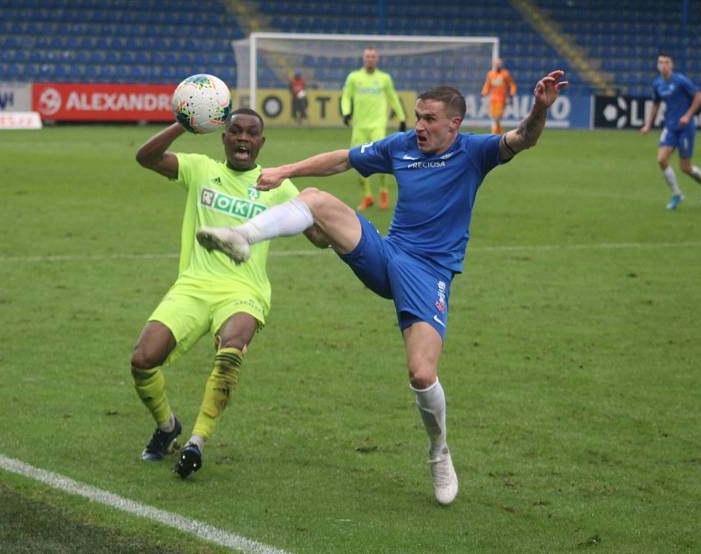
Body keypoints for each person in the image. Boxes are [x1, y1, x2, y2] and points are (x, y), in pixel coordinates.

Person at [196, 70, 568, 505]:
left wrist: (541, 107)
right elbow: (343, 159)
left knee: (422, 374)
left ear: (455, 124)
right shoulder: (402, 147)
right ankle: (243, 236)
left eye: (430, 119)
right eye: (417, 117)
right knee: (315, 198)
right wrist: (285, 170)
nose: (420, 126)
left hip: (429, 274)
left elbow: (523, 138)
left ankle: (439, 451)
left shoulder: (475, 152)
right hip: (387, 254)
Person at [132, 108, 317, 479]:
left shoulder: (278, 185)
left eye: (252, 133)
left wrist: (337, 232)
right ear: (223, 137)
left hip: (244, 291)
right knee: (142, 360)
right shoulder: (201, 168)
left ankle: (196, 442)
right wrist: (182, 125)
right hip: (194, 285)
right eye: (235, 131)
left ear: (262, 142)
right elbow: (146, 158)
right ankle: (168, 426)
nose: (243, 138)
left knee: (230, 353)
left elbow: (314, 231)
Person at [640, 54, 701, 209]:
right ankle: (677, 195)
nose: (663, 65)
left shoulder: (680, 81)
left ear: (671, 66)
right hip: (670, 127)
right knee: (661, 160)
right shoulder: (657, 83)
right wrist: (648, 125)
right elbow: (655, 104)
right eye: (660, 62)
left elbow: (699, 97)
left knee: (685, 168)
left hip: (685, 128)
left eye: (666, 62)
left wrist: (687, 115)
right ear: (657, 65)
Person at [341, 46, 407, 211]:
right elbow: (346, 96)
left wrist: (402, 117)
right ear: (363, 59)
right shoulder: (354, 77)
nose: (370, 59)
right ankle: (368, 196)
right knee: (355, 160)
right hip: (359, 126)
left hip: (377, 125)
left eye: (373, 57)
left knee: (381, 158)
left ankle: (383, 191)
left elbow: (393, 97)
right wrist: (346, 112)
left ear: (377, 59)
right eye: (367, 57)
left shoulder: (384, 78)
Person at [481, 58, 517, 134]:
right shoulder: (490, 74)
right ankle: (499, 133)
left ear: (502, 65)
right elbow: (487, 85)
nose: (498, 65)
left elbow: (512, 84)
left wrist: (512, 93)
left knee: (497, 117)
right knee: (495, 118)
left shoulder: (505, 74)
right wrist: (484, 92)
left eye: (499, 64)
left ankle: (495, 133)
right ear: (494, 65)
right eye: (496, 64)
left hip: (502, 100)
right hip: (493, 100)